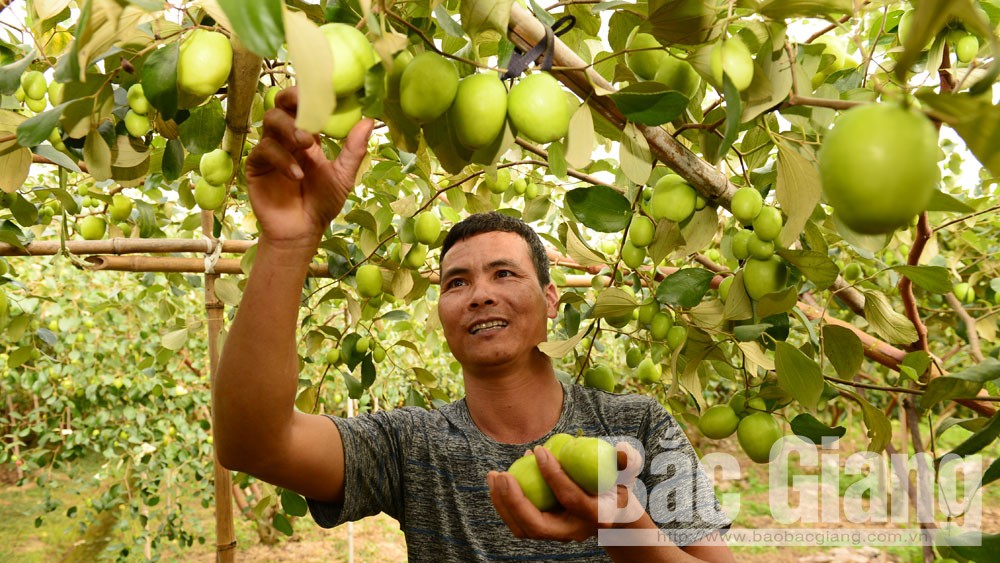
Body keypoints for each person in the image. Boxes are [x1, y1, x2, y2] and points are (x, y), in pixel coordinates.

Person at [215, 88, 735, 562]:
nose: (480, 293)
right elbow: (251, 444)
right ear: (441, 313)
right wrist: (289, 243)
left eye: (504, 273)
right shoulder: (413, 444)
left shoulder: (636, 426)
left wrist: (623, 525)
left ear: (551, 299)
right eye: (456, 283)